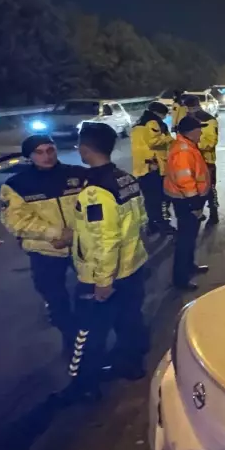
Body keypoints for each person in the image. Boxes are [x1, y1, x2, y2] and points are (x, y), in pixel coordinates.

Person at [67, 123, 150, 396]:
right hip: (133, 265)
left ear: (85, 149)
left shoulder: (95, 192)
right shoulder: (125, 178)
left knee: (89, 331)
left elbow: (104, 239)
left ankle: (86, 387)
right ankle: (132, 365)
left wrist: (103, 281)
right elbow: (142, 220)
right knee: (129, 319)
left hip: (105, 275)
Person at [0, 135, 84, 356]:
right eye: (39, 152)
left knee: (89, 298)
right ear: (29, 156)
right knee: (56, 300)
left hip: (81, 247)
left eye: (50, 150)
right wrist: (54, 233)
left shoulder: (77, 174)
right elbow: (16, 221)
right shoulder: (16, 185)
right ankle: (70, 340)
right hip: (45, 252)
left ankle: (88, 343)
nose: (46, 156)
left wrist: (76, 234)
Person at [163, 115, 211, 291]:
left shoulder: (187, 146)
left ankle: (189, 266)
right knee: (185, 239)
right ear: (191, 132)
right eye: (199, 130)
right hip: (186, 201)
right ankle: (180, 279)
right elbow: (185, 181)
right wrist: (195, 205)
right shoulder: (183, 150)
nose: (201, 133)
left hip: (188, 199)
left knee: (190, 237)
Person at [130, 101, 174, 235]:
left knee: (150, 198)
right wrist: (168, 138)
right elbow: (154, 142)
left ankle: (152, 224)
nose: (163, 118)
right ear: (158, 113)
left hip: (143, 167)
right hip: (155, 167)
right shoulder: (152, 123)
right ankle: (163, 225)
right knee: (161, 198)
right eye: (163, 115)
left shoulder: (138, 125)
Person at [181, 94, 220, 227]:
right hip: (190, 160)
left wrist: (193, 145)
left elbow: (211, 142)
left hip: (206, 162)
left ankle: (214, 213)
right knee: (192, 189)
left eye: (190, 108)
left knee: (209, 189)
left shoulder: (209, 120)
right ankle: (197, 213)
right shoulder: (186, 119)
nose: (188, 111)